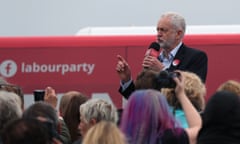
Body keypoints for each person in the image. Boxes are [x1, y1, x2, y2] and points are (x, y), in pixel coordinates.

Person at [116, 12, 208, 99]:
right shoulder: (155, 60)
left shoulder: (196, 57)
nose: (159, 34)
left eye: (164, 30)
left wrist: (163, 71)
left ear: (178, 34)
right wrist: (127, 80)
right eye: (158, 30)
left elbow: (193, 92)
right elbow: (139, 100)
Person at [120, 71, 202, 144]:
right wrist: (181, 94)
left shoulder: (120, 138)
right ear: (163, 109)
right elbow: (199, 130)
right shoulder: (170, 137)